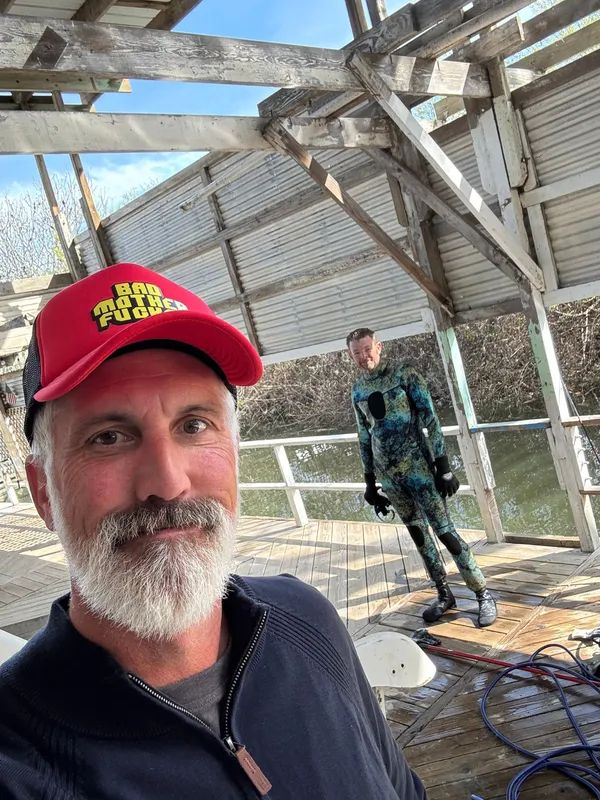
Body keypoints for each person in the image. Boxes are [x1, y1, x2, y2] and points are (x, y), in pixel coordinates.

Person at [0, 263, 427, 800]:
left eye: (194, 425)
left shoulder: (308, 618)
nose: (169, 483)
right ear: (43, 491)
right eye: (108, 437)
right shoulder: (17, 763)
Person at [347, 327, 496, 629]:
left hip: (420, 469)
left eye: (367, 349)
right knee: (419, 536)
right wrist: (369, 482)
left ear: (379, 346)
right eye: (357, 353)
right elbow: (364, 436)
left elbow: (431, 419)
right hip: (390, 478)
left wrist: (444, 466)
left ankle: (482, 593)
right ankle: (444, 593)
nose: (364, 357)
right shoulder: (357, 390)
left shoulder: (405, 375)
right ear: (351, 357)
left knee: (446, 532)